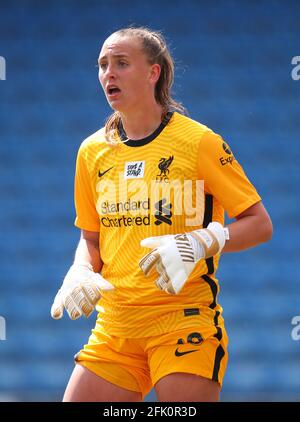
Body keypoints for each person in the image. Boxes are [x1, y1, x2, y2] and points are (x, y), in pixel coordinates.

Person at [51, 26, 273, 402]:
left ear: (154, 72)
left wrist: (203, 241)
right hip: (116, 325)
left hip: (182, 321)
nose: (109, 73)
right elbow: (91, 238)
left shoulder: (199, 142)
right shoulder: (90, 152)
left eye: (122, 63)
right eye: (103, 65)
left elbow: (260, 225)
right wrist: (81, 269)